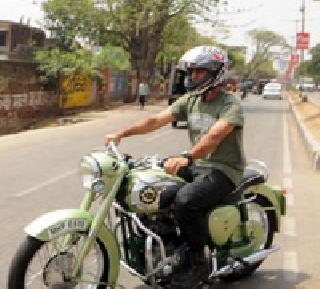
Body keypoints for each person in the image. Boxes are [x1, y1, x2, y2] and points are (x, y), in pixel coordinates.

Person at [104, 45, 245, 288]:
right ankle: (172, 246)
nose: (193, 78)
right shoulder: (191, 100)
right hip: (198, 165)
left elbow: (214, 136)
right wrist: (121, 133)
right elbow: (156, 120)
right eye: (192, 73)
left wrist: (188, 157)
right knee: (156, 189)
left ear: (216, 73)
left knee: (186, 201)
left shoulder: (229, 103)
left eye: (199, 73)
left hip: (224, 169)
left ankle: (198, 262)